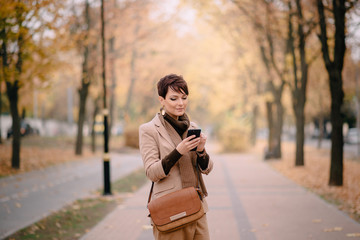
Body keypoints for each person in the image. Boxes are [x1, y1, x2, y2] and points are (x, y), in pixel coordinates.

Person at [139, 74, 214, 240]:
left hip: (197, 206)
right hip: (170, 209)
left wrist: (201, 151)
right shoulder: (149, 130)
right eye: (174, 98)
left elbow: (207, 169)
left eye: (184, 97)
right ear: (162, 100)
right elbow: (152, 172)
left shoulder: (192, 127)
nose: (180, 103)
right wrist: (178, 151)